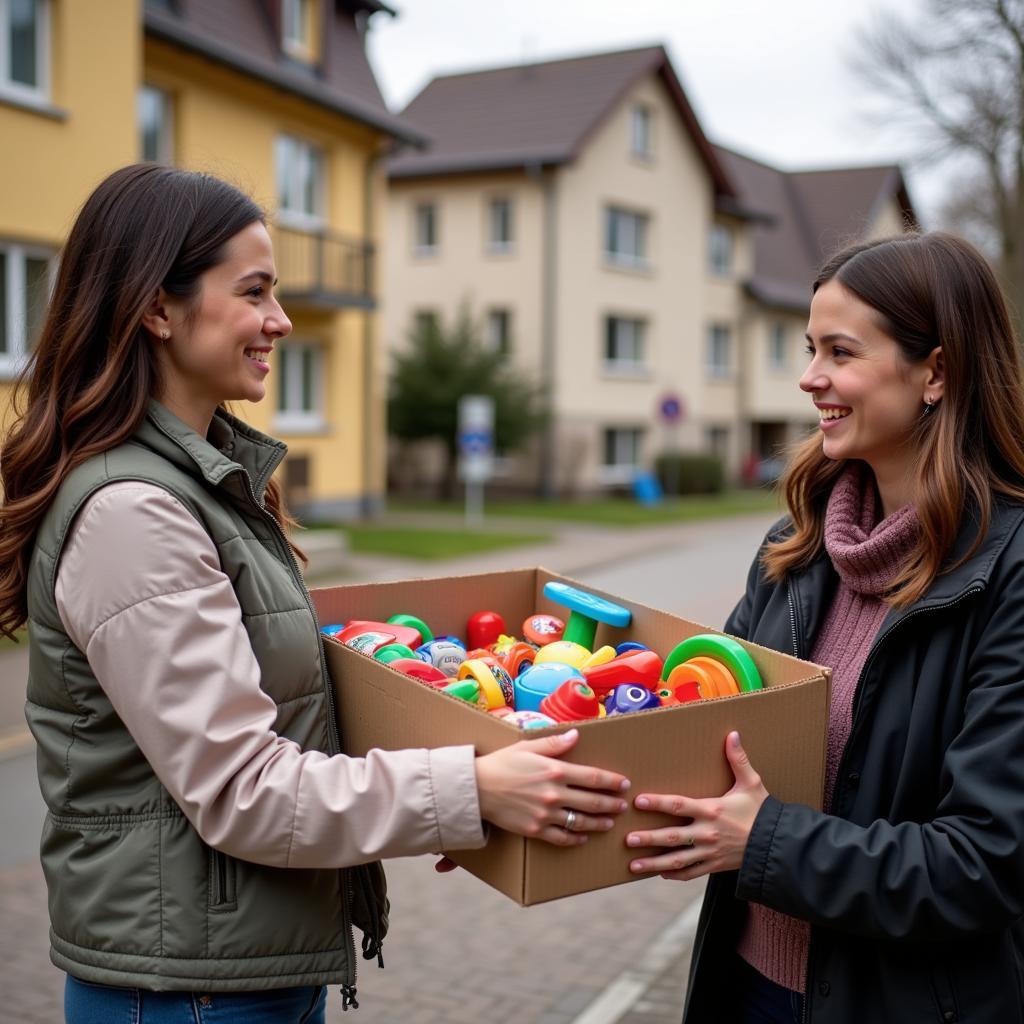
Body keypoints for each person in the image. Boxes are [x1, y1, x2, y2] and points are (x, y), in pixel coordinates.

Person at [0, 163, 631, 1023]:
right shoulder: (134, 515)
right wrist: (468, 790)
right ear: (157, 308)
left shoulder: (200, 480)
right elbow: (243, 791)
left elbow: (280, 713)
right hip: (187, 992)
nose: (280, 321)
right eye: (254, 292)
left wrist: (445, 770)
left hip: (229, 965)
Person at [624, 232, 1024, 1023]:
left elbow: (985, 860)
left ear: (936, 371)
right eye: (811, 348)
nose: (810, 378)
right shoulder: (793, 550)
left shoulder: (1008, 573)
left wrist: (765, 841)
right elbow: (704, 737)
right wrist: (513, 799)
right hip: (744, 987)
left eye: (840, 352)